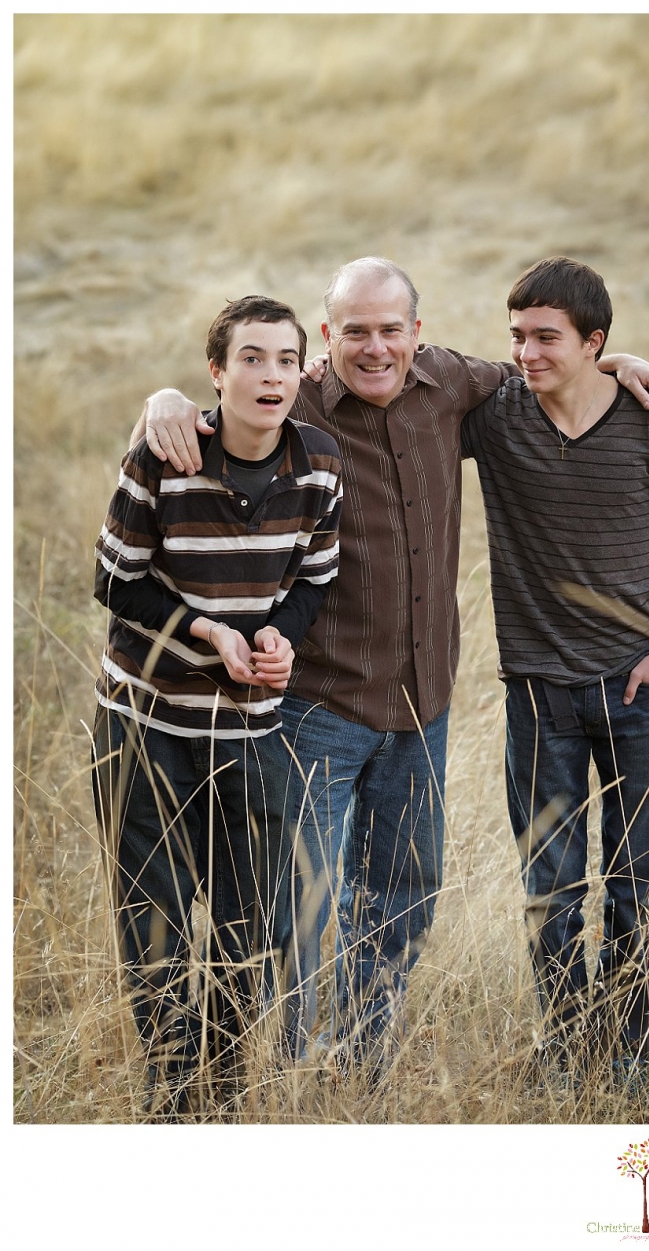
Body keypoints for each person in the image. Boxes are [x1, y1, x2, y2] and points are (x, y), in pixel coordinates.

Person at [137, 256, 649, 1080]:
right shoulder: (295, 400)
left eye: (392, 329)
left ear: (417, 335)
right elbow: (229, 398)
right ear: (328, 338)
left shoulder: (453, 385)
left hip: (421, 706)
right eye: (356, 331)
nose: (376, 347)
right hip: (316, 706)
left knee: (402, 900)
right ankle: (297, 1073)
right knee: (301, 908)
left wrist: (620, 363)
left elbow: (548, 363)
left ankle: (361, 1066)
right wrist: (166, 400)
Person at [91, 295, 342, 1118]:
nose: (269, 375)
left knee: (249, 926)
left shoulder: (318, 465)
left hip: (248, 731)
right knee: (156, 924)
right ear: (217, 372)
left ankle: (224, 1094)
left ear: (300, 371)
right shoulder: (163, 456)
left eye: (283, 359)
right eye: (250, 358)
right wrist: (203, 628)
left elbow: (315, 575)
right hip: (146, 726)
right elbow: (115, 581)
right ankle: (173, 1105)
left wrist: (281, 637)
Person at [460, 257, 649, 1086]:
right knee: (552, 890)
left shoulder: (647, 420)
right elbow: (402, 390)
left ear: (594, 342)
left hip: (640, 694)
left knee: (638, 882)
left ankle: (632, 1049)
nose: (527, 353)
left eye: (546, 338)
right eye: (517, 336)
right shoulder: (495, 417)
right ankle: (566, 1050)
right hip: (541, 697)